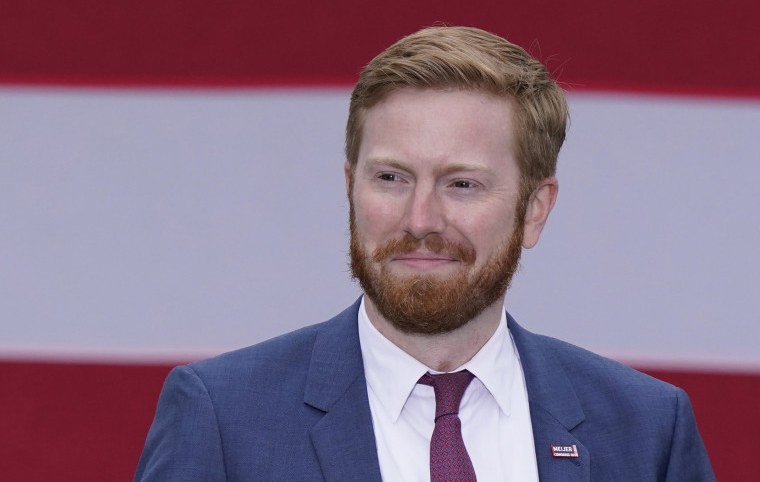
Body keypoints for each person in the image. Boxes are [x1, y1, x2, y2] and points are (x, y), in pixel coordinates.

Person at [134, 26, 715, 481]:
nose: (420, 220)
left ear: (535, 209)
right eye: (391, 177)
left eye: (462, 184)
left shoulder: (646, 429)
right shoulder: (224, 416)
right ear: (349, 187)